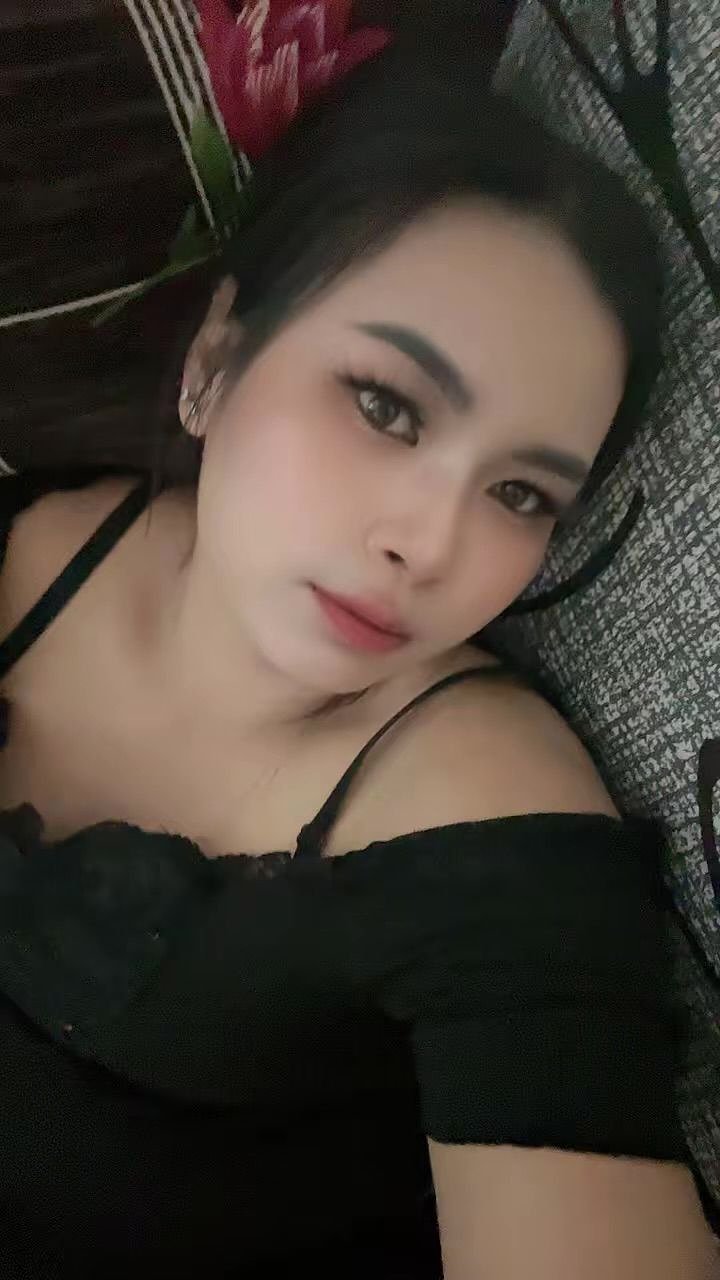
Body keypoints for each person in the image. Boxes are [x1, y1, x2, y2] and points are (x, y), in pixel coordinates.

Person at [0, 33, 716, 1280]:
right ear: (216, 358)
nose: (431, 545)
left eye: (521, 493)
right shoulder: (28, 546)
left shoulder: (485, 811)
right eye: (386, 404)